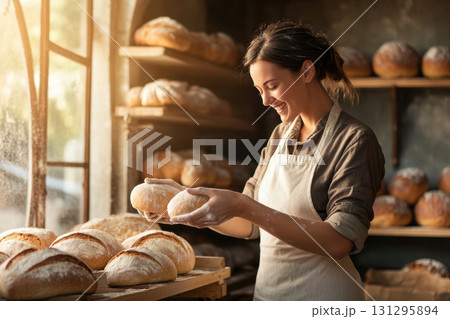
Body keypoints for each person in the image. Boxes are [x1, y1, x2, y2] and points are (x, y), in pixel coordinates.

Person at [139, 20, 385, 301]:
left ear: (306, 71)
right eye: (260, 90)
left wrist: (247, 206)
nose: (266, 100)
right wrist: (184, 204)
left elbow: (341, 240)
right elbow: (248, 225)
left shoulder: (354, 140)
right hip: (269, 298)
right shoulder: (281, 135)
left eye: (272, 85)